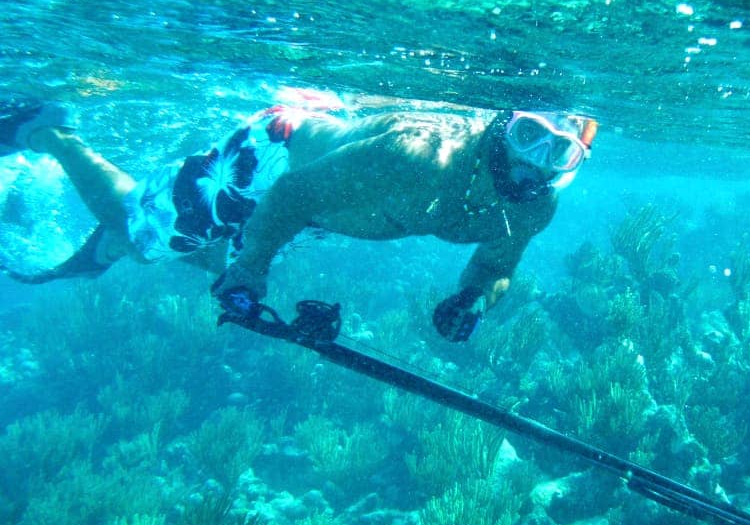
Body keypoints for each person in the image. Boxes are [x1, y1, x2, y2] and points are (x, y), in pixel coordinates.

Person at [0, 90, 598, 341]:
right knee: (139, 232)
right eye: (527, 135)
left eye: (557, 151)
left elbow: (495, 266)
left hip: (330, 200)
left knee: (215, 256)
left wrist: (474, 299)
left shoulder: (535, 208)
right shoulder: (417, 158)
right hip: (276, 161)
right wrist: (253, 268)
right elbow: (288, 198)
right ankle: (47, 129)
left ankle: (141, 244)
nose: (532, 163)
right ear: (501, 124)